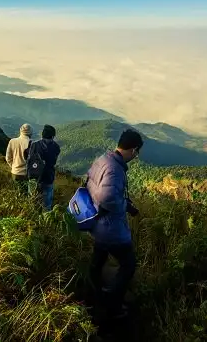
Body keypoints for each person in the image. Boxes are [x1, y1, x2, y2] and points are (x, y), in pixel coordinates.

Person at [86, 129, 143, 319]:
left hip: (96, 223)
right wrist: (124, 205)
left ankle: (96, 293)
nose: (136, 156)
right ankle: (112, 305)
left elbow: (89, 181)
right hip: (111, 228)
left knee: (98, 261)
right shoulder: (115, 168)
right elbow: (108, 197)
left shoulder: (103, 159)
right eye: (137, 152)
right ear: (134, 150)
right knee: (128, 265)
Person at [26, 125, 61, 211]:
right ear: (52, 136)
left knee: (32, 201)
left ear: (42, 135)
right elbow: (53, 162)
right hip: (48, 178)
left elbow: (29, 160)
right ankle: (45, 221)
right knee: (47, 204)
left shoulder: (34, 145)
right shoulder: (56, 147)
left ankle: (32, 219)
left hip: (34, 177)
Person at [6, 123, 32, 193]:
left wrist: (14, 166)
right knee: (26, 194)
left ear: (20, 131)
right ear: (30, 133)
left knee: (16, 194)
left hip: (15, 172)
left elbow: (8, 158)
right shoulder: (32, 143)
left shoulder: (12, 141)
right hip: (26, 174)